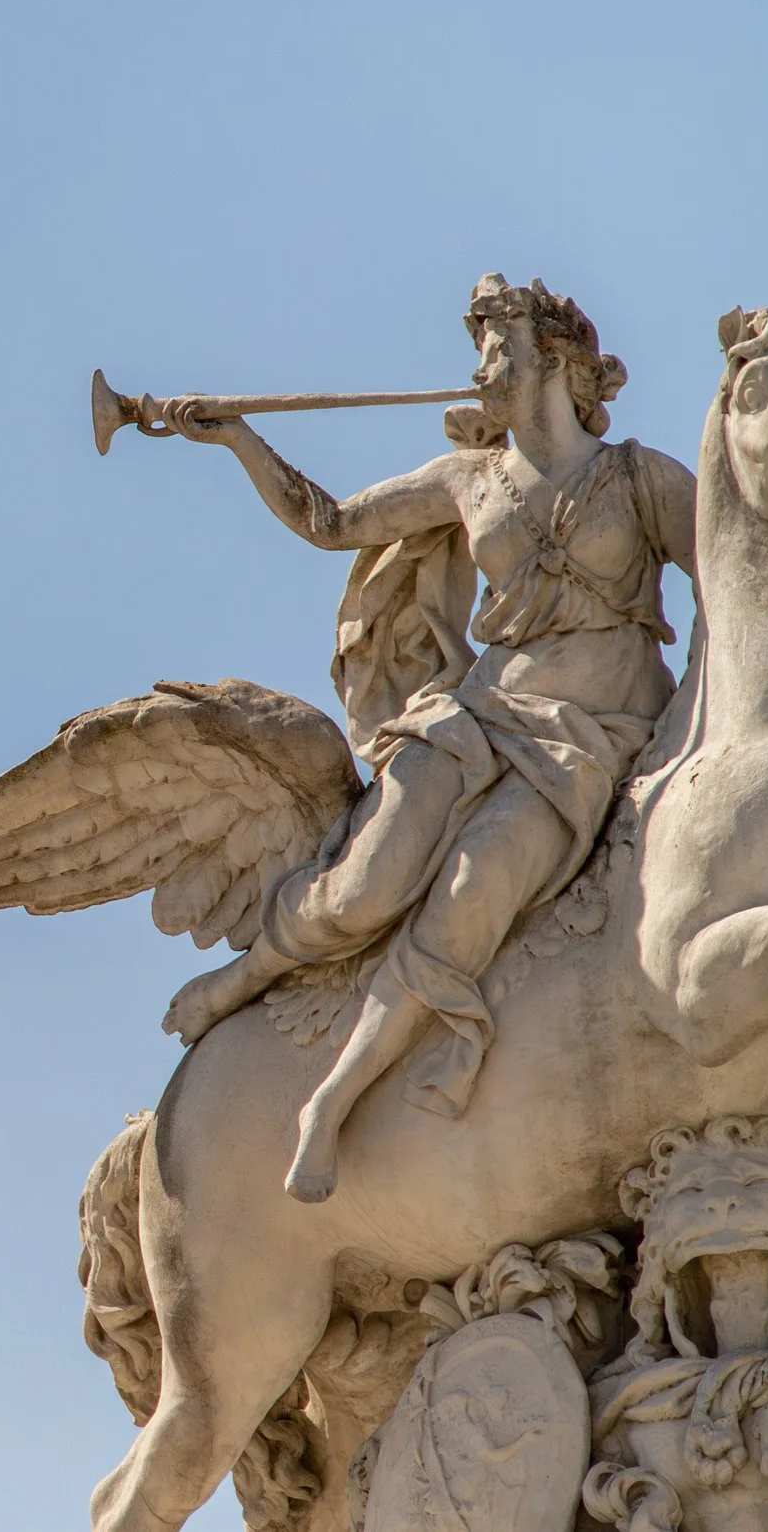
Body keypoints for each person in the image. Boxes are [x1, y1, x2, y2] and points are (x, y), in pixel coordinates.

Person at [155, 275, 696, 1203]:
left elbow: (733, 572)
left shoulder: (640, 478)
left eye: (499, 345)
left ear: (557, 362)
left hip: (591, 730)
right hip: (485, 711)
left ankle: (333, 1099)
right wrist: (238, 438)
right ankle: (249, 976)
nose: (484, 365)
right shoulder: (468, 479)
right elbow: (329, 523)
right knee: (365, 886)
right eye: (480, 347)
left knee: (472, 887)